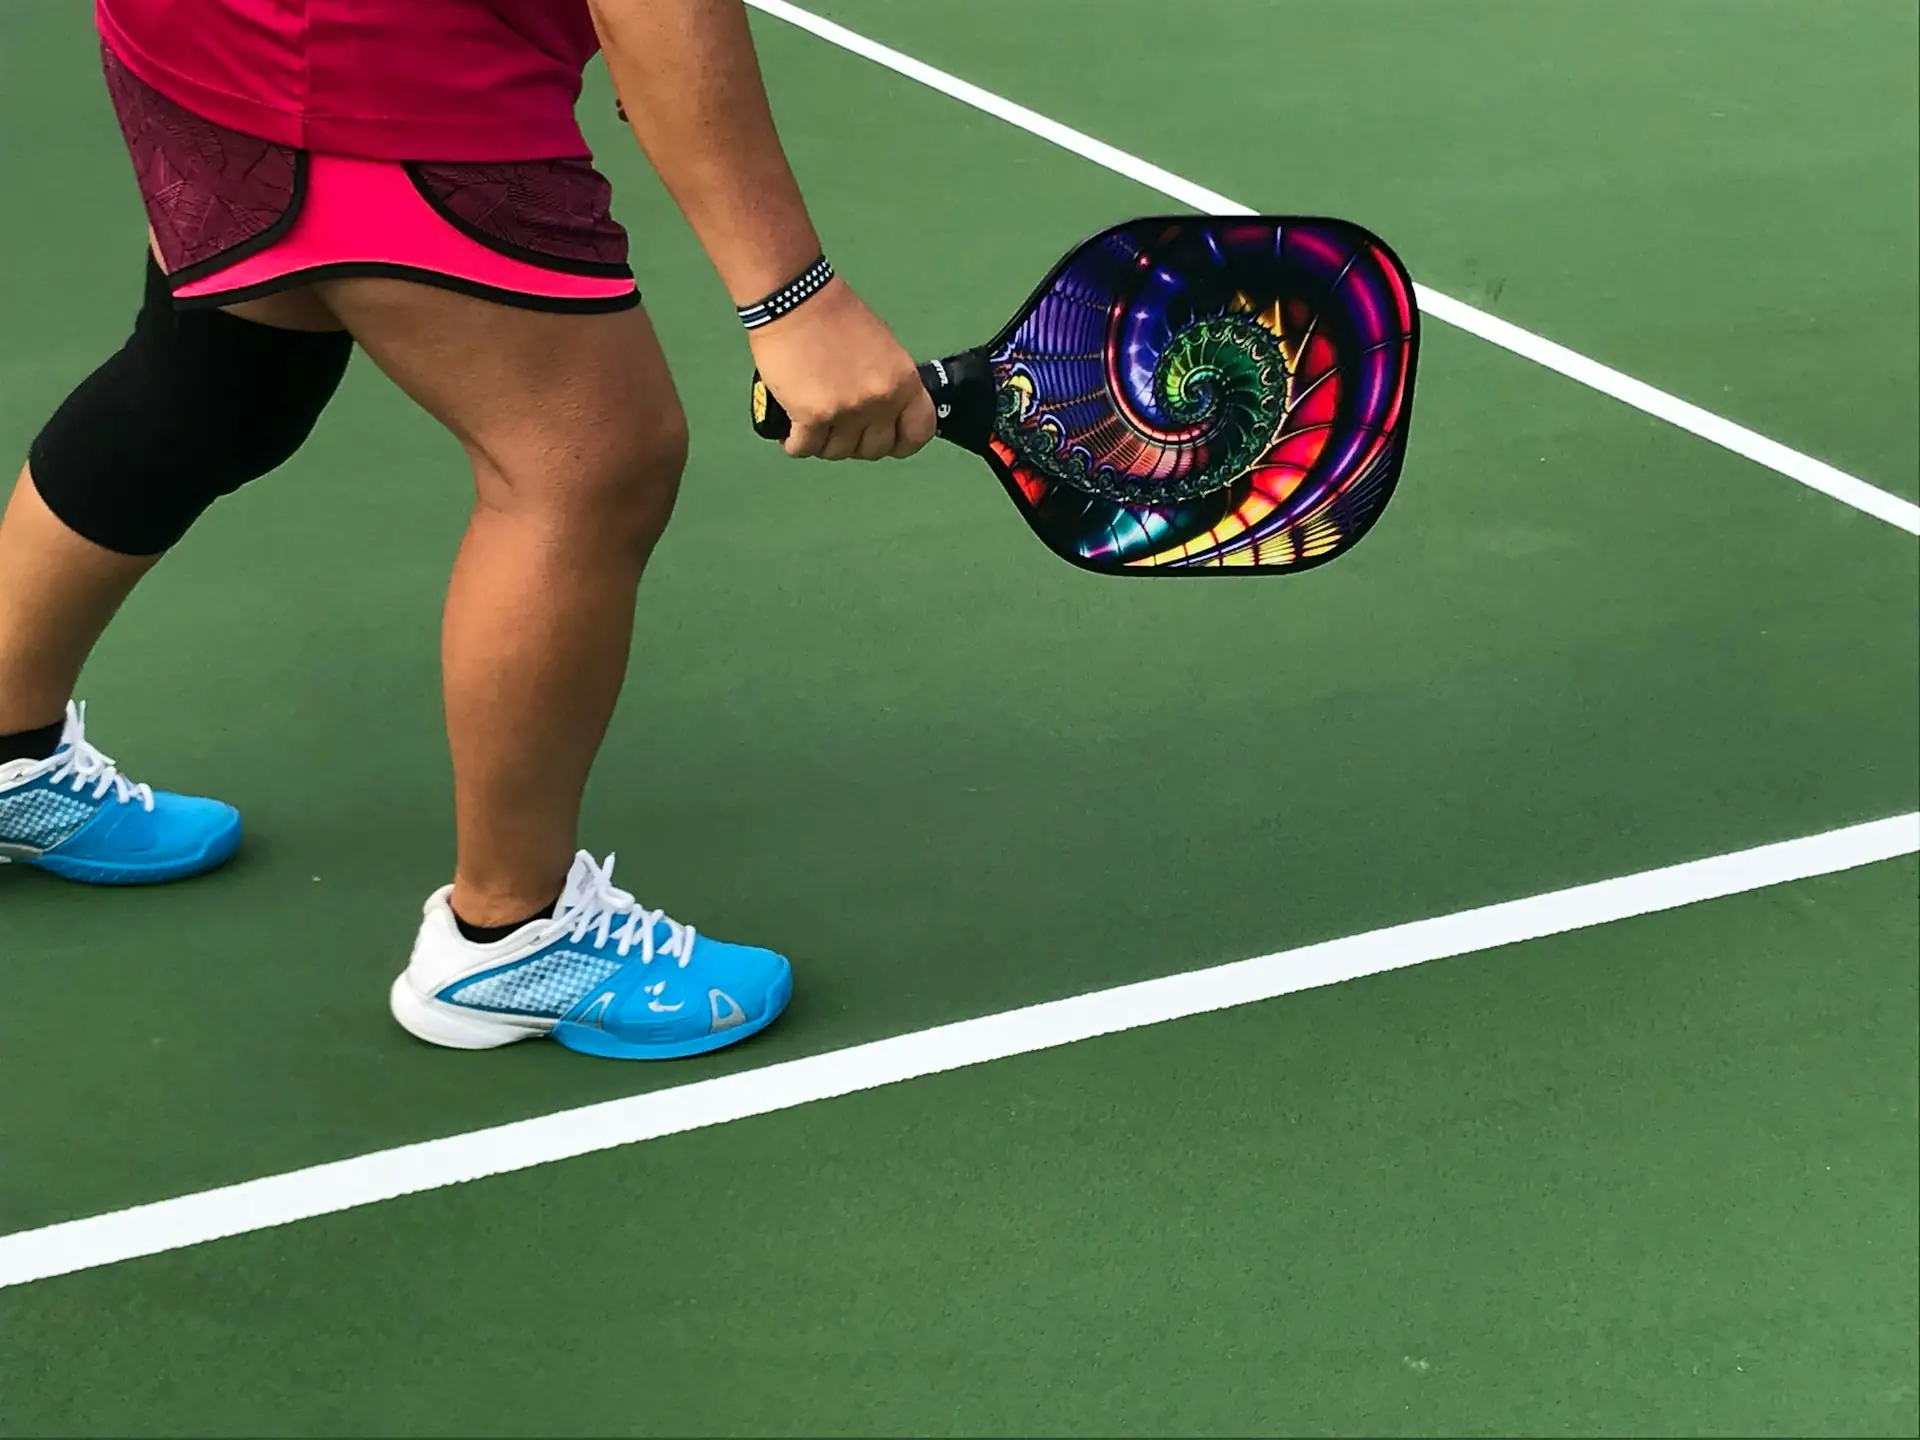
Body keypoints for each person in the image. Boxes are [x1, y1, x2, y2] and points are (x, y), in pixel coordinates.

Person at [0, 0, 936, 1060]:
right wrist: (793, 297)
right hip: (383, 64)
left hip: (197, 27)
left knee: (219, 375)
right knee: (591, 463)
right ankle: (510, 937)